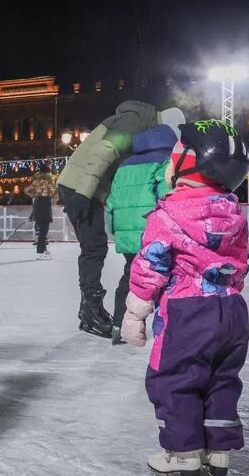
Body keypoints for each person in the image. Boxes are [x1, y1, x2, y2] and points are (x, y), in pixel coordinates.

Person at [122, 120, 249, 476]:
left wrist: (134, 314)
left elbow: (151, 266)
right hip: (232, 310)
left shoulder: (168, 214)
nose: (168, 164)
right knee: (222, 377)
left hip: (186, 313)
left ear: (191, 165)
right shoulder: (233, 212)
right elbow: (240, 264)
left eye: (174, 157)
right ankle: (219, 451)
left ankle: (184, 453)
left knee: (176, 379)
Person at [56, 101, 184, 339]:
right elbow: (104, 152)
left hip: (84, 186)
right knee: (94, 248)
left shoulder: (138, 124)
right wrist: (83, 193)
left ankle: (90, 309)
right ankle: (90, 310)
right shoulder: (134, 121)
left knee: (94, 247)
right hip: (81, 185)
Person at [105, 124, 176, 345]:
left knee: (130, 276)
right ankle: (168, 330)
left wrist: (114, 229)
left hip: (125, 233)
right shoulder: (166, 161)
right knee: (166, 278)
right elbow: (167, 196)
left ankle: (119, 326)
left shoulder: (124, 165)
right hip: (152, 232)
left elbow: (111, 202)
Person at [25, 166, 57, 259]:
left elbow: (26, 190)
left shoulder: (35, 182)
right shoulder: (49, 182)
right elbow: (55, 193)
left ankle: (44, 249)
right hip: (45, 205)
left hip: (37, 204)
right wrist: (54, 198)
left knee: (41, 230)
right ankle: (40, 252)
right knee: (44, 231)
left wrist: (34, 195)